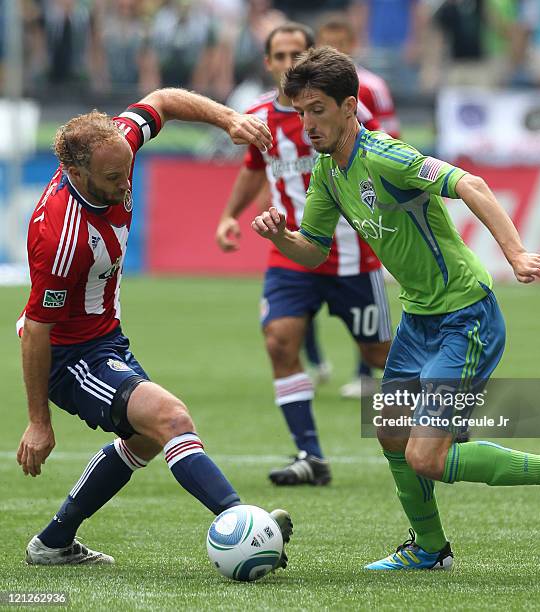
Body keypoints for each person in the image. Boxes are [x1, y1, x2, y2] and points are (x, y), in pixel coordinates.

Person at [252, 46, 540, 569]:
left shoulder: (387, 155)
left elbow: (472, 184)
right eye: (300, 112)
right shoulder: (327, 173)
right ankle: (430, 549)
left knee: (425, 456)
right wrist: (282, 237)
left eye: (318, 109)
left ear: (350, 107)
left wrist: (516, 252)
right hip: (417, 321)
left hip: (466, 316)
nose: (307, 124)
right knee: (391, 431)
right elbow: (315, 248)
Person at [16, 87, 292, 565]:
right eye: (111, 176)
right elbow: (38, 329)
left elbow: (162, 99)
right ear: (77, 173)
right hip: (70, 355)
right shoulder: (60, 235)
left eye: (127, 168)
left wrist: (229, 119)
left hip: (106, 338)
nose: (126, 182)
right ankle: (246, 522)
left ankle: (54, 542)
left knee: (143, 437)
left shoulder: (113, 143)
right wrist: (40, 422)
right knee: (171, 420)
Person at [215, 24, 392, 487]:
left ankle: (438, 421)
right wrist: (229, 215)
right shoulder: (256, 118)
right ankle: (310, 455)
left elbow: (380, 155)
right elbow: (254, 169)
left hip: (352, 255)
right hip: (292, 252)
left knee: (381, 353)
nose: (288, 61)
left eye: (298, 52)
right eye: (280, 54)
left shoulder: (347, 111)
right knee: (279, 341)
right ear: (269, 62)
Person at [315, 16, 401, 398]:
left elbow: (391, 137)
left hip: (363, 192)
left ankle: (367, 370)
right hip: (325, 191)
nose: (335, 49)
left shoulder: (374, 87)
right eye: (327, 43)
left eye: (340, 43)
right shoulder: (312, 91)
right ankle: (316, 363)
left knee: (365, 292)